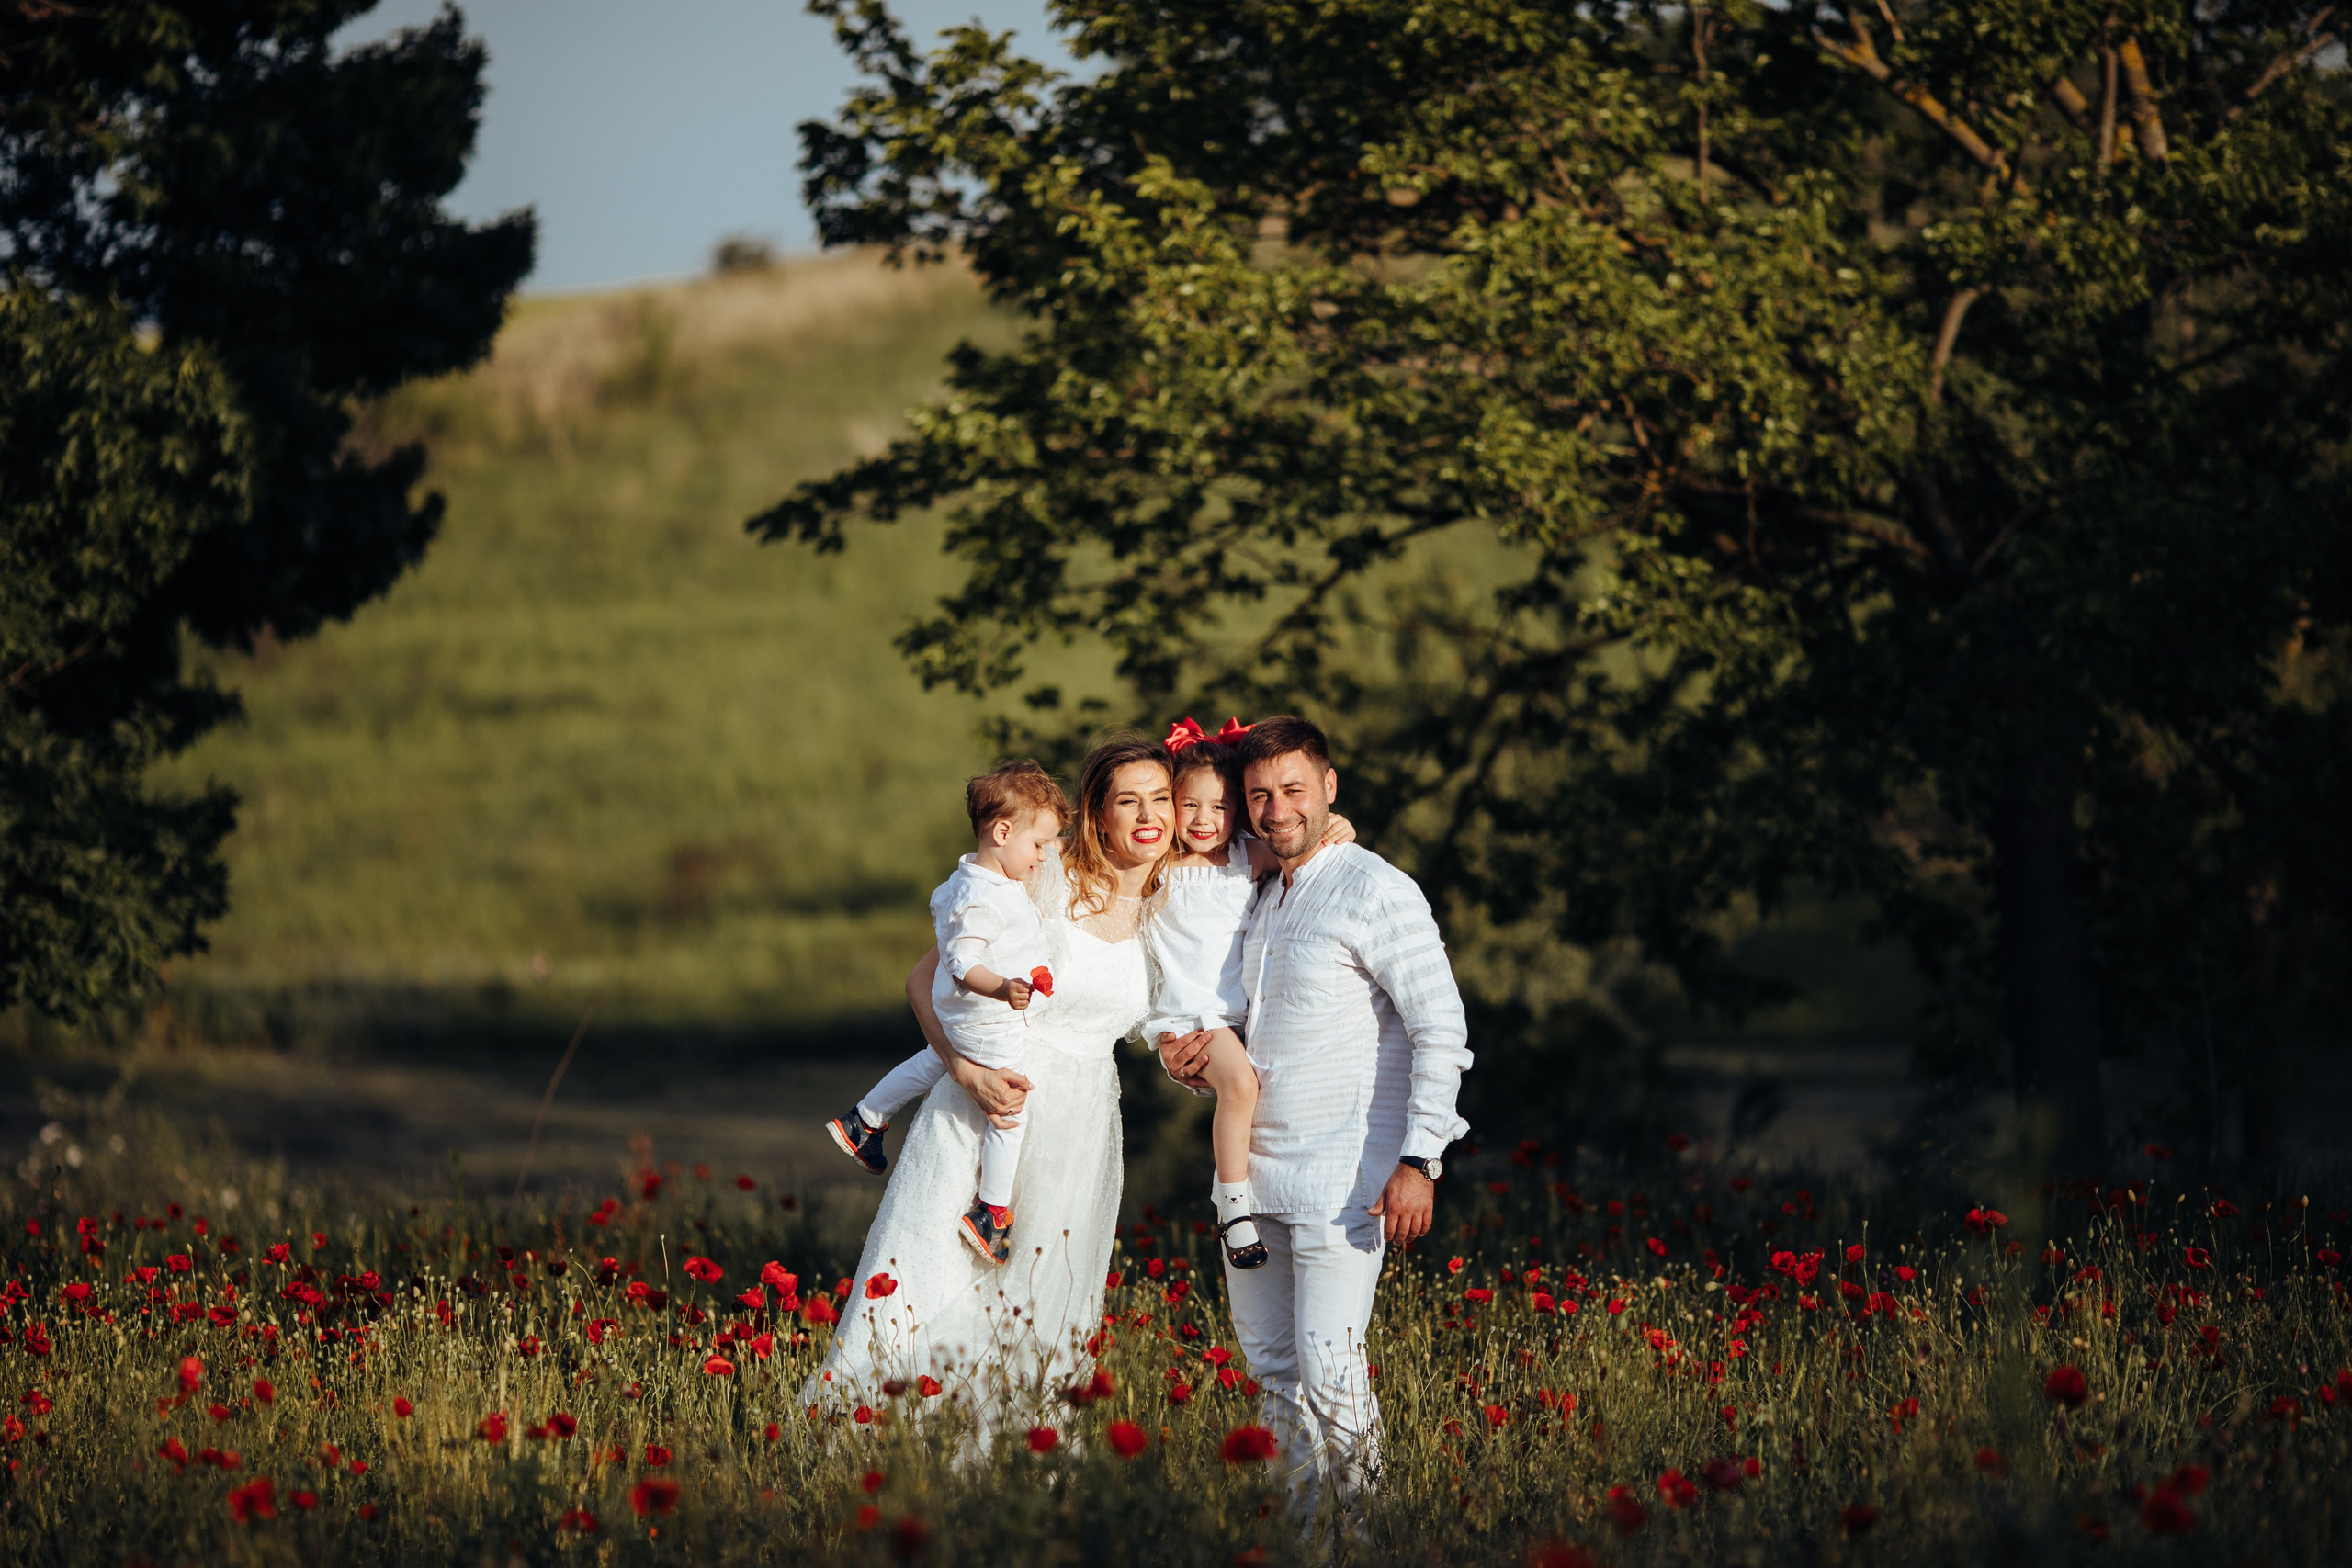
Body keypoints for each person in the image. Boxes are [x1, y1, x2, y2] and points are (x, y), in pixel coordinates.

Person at [807, 736, 1171, 1429]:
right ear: (1097, 812)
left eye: (1162, 800)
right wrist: (964, 1069)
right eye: (1128, 800)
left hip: (1080, 1128)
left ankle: (1004, 1471)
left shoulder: (1173, 904)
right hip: (986, 1104)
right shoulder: (1041, 873)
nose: (1147, 815)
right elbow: (926, 978)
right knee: (929, 1280)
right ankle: (876, 1452)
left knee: (1037, 1305)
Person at [1158, 715, 1471, 1520]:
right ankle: (1301, 1536)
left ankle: (1369, 1535)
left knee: (1333, 1368)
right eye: (1258, 794)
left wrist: (1422, 1158)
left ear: (1329, 788)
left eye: (1294, 788)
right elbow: (1259, 1045)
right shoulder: (1262, 897)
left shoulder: (1376, 887)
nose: (1275, 807)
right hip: (1255, 1181)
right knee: (1272, 1374)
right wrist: (1191, 1062)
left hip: (1345, 1179)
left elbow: (1440, 1025)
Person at [823, 760, 1069, 1264]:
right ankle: (990, 1212)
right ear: (1002, 832)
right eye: (1037, 845)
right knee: (1008, 1110)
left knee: (932, 1060)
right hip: (986, 1018)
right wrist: (1005, 989)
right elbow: (961, 965)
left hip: (959, 1017)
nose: (1043, 857)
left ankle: (865, 1118)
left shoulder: (970, 879)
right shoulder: (983, 898)